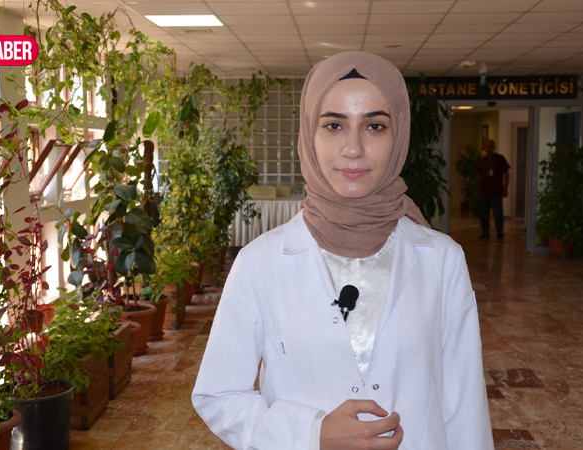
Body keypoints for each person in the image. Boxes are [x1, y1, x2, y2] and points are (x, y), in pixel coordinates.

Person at [192, 51, 493, 450]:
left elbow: (465, 407)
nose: (353, 148)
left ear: (399, 136)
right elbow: (218, 395)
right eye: (334, 125)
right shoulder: (258, 263)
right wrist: (312, 433)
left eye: (375, 126)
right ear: (309, 135)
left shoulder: (442, 260)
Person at [475, 140, 510, 242]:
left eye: (490, 146)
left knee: (498, 214)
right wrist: (477, 190)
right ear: (484, 148)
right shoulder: (482, 160)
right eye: (486, 147)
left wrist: (505, 188)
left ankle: (500, 234)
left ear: (494, 147)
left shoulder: (500, 159)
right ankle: (485, 234)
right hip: (484, 191)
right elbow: (478, 176)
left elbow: (506, 174)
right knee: (483, 214)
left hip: (496, 192)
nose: (488, 148)